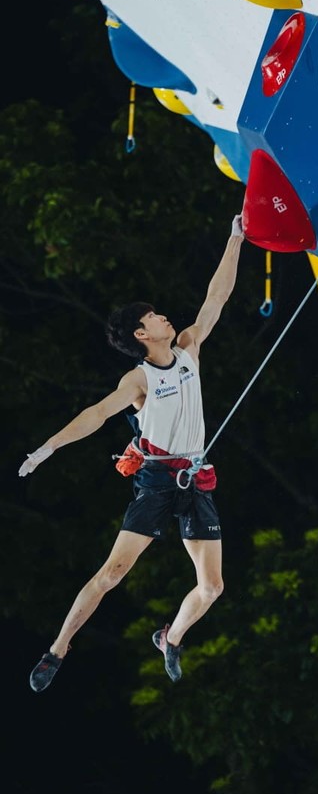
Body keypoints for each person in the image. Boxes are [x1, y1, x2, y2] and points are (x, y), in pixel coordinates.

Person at [18, 214, 245, 692]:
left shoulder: (187, 348)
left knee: (212, 587)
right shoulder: (140, 381)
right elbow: (97, 413)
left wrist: (235, 237)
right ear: (142, 335)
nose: (164, 316)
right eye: (153, 317)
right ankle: (57, 650)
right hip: (159, 482)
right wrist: (48, 447)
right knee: (112, 574)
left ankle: (171, 637)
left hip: (195, 478)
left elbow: (216, 297)